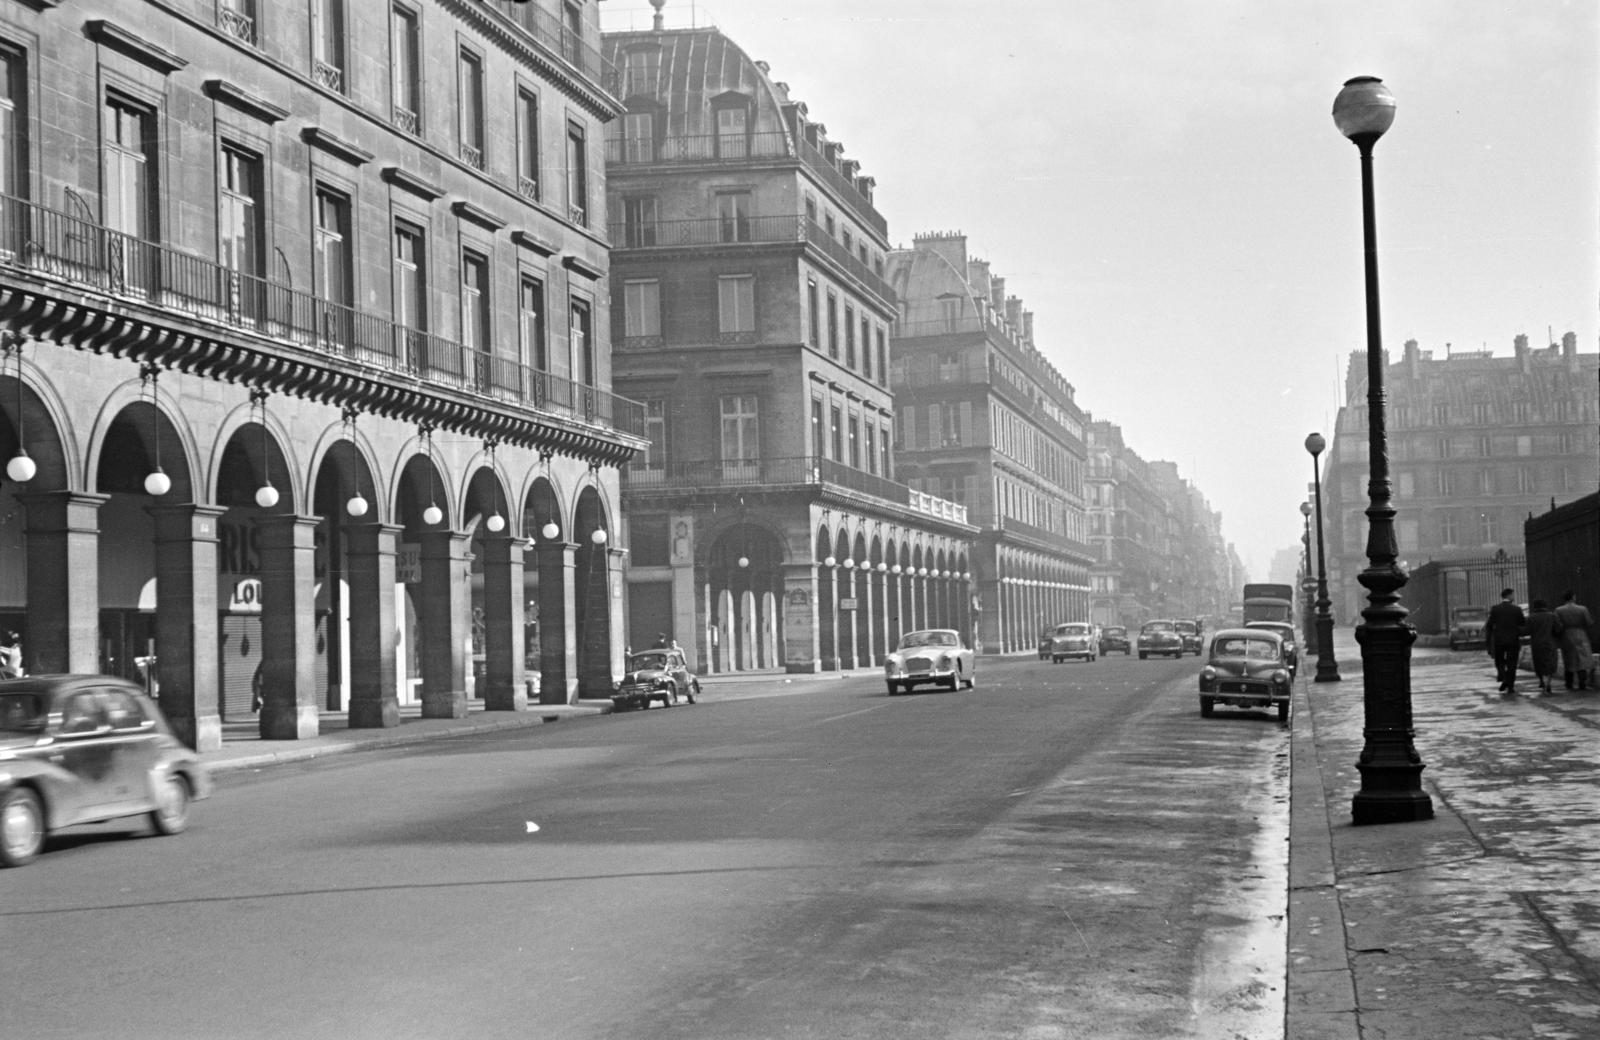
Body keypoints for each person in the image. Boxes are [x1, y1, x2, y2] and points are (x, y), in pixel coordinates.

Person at [1484, 588, 1525, 694]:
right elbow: (1522, 623)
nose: (1514, 597)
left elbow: (1490, 624)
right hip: (1513, 640)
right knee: (1512, 663)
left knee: (1500, 661)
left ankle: (1504, 677)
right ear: (1509, 596)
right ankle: (1510, 686)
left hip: (1499, 640)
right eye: (1513, 595)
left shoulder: (1495, 609)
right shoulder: (1517, 609)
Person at [1554, 590, 1594, 690]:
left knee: (1569, 659)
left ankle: (1569, 683)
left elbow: (1557, 625)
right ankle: (1582, 682)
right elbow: (1589, 622)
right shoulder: (1582, 609)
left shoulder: (1559, 610)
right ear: (1573, 597)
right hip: (1580, 634)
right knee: (1582, 659)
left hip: (1566, 636)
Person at [1523, 599, 1563, 695]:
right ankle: (1548, 682)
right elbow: (1559, 629)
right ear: (1545, 606)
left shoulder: (1530, 618)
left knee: (1539, 662)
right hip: (1550, 643)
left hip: (1536, 644)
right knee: (1550, 662)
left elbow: (1526, 631)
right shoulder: (1552, 616)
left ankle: (1541, 680)